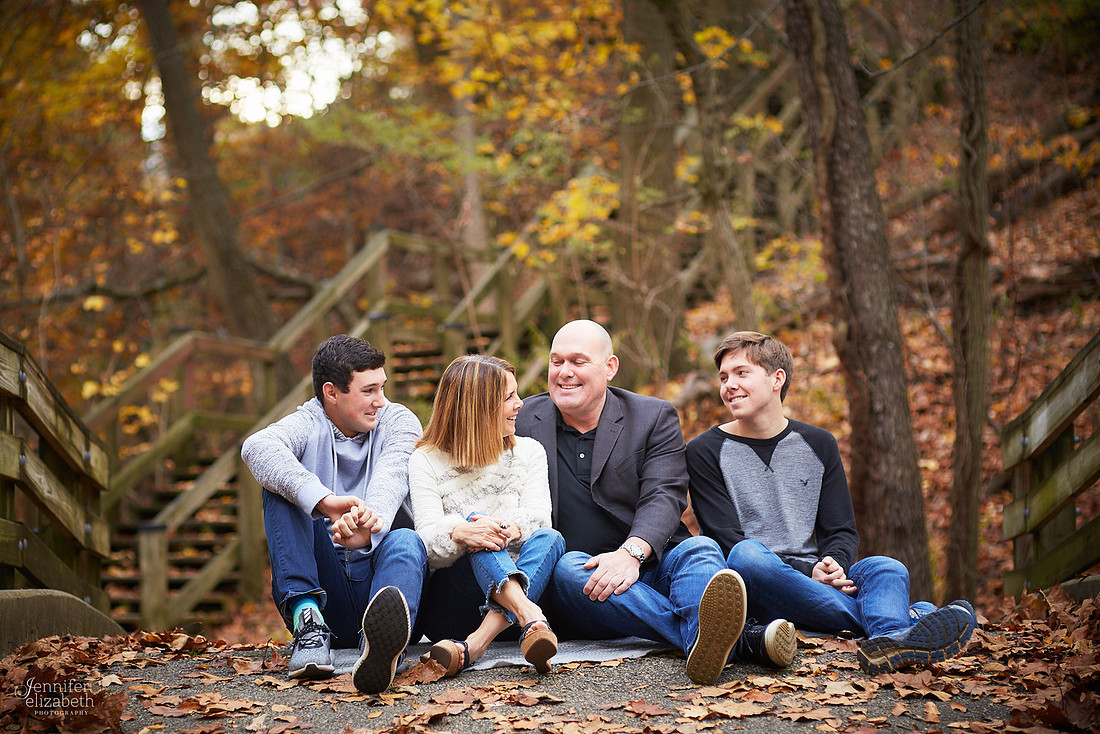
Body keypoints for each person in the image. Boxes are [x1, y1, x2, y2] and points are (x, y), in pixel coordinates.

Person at [515, 320, 797, 685]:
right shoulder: (521, 420)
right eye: (556, 362)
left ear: (610, 367)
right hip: (583, 584)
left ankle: (706, 639)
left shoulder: (651, 416)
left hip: (650, 563)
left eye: (578, 361)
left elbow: (664, 494)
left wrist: (631, 554)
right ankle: (736, 641)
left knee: (700, 547)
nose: (564, 372)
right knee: (568, 566)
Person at [686, 330, 978, 674]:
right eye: (723, 377)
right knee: (746, 555)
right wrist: (808, 572)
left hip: (819, 579)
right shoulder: (704, 451)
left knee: (886, 567)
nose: (729, 385)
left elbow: (840, 529)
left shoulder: (819, 444)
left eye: (741, 373)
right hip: (756, 581)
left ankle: (891, 642)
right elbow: (726, 540)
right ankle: (908, 620)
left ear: (777, 378)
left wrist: (833, 563)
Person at [240, 334, 428, 694]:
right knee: (280, 489)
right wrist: (324, 501)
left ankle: (382, 646)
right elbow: (257, 446)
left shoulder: (398, 421)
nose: (381, 401)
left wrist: (368, 524)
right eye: (369, 391)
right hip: (328, 589)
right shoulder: (308, 424)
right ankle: (308, 623)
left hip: (382, 579)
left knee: (406, 539)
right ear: (331, 392)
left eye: (382, 388)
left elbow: (393, 473)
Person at [408, 355, 564, 676]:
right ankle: (528, 614)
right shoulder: (425, 460)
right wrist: (460, 533)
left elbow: (539, 519)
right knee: (477, 527)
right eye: (509, 398)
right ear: (478, 407)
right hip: (454, 606)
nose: (520, 404)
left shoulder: (530, 451)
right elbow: (424, 541)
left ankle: (476, 644)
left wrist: (506, 529)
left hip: (523, 586)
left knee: (551, 538)